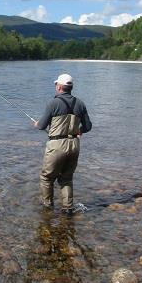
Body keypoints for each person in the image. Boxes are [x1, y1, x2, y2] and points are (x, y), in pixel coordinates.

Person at [34, 73, 92, 215]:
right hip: (74, 145)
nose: (56, 87)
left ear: (59, 87)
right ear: (70, 87)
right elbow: (88, 126)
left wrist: (37, 124)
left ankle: (47, 208)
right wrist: (79, 130)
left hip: (57, 145)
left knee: (47, 177)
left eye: (56, 85)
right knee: (66, 178)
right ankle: (67, 209)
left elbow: (42, 126)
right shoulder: (80, 104)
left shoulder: (53, 103)